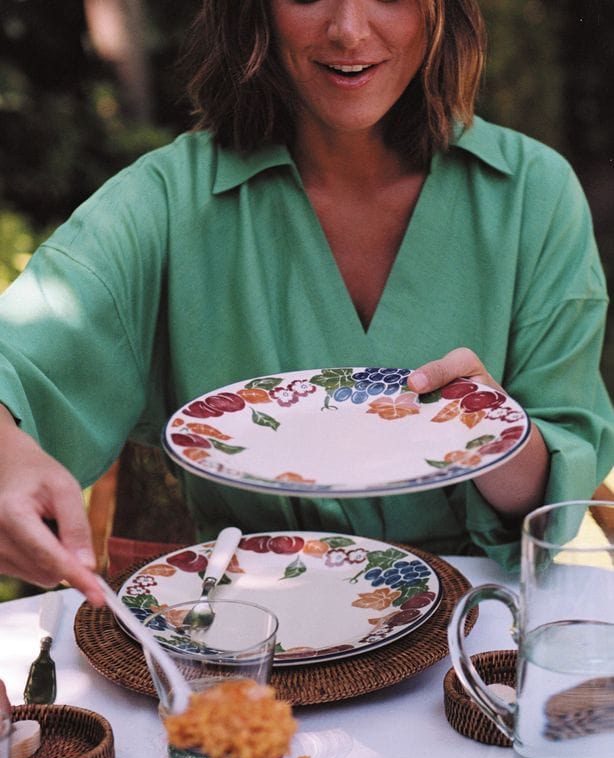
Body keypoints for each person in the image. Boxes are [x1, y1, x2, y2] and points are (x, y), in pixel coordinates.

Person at [0, 0, 612, 608]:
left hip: (475, 641)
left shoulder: (533, 195)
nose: (348, 30)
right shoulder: (169, 201)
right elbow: (21, 353)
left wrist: (489, 431)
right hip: (248, 641)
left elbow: (555, 488)